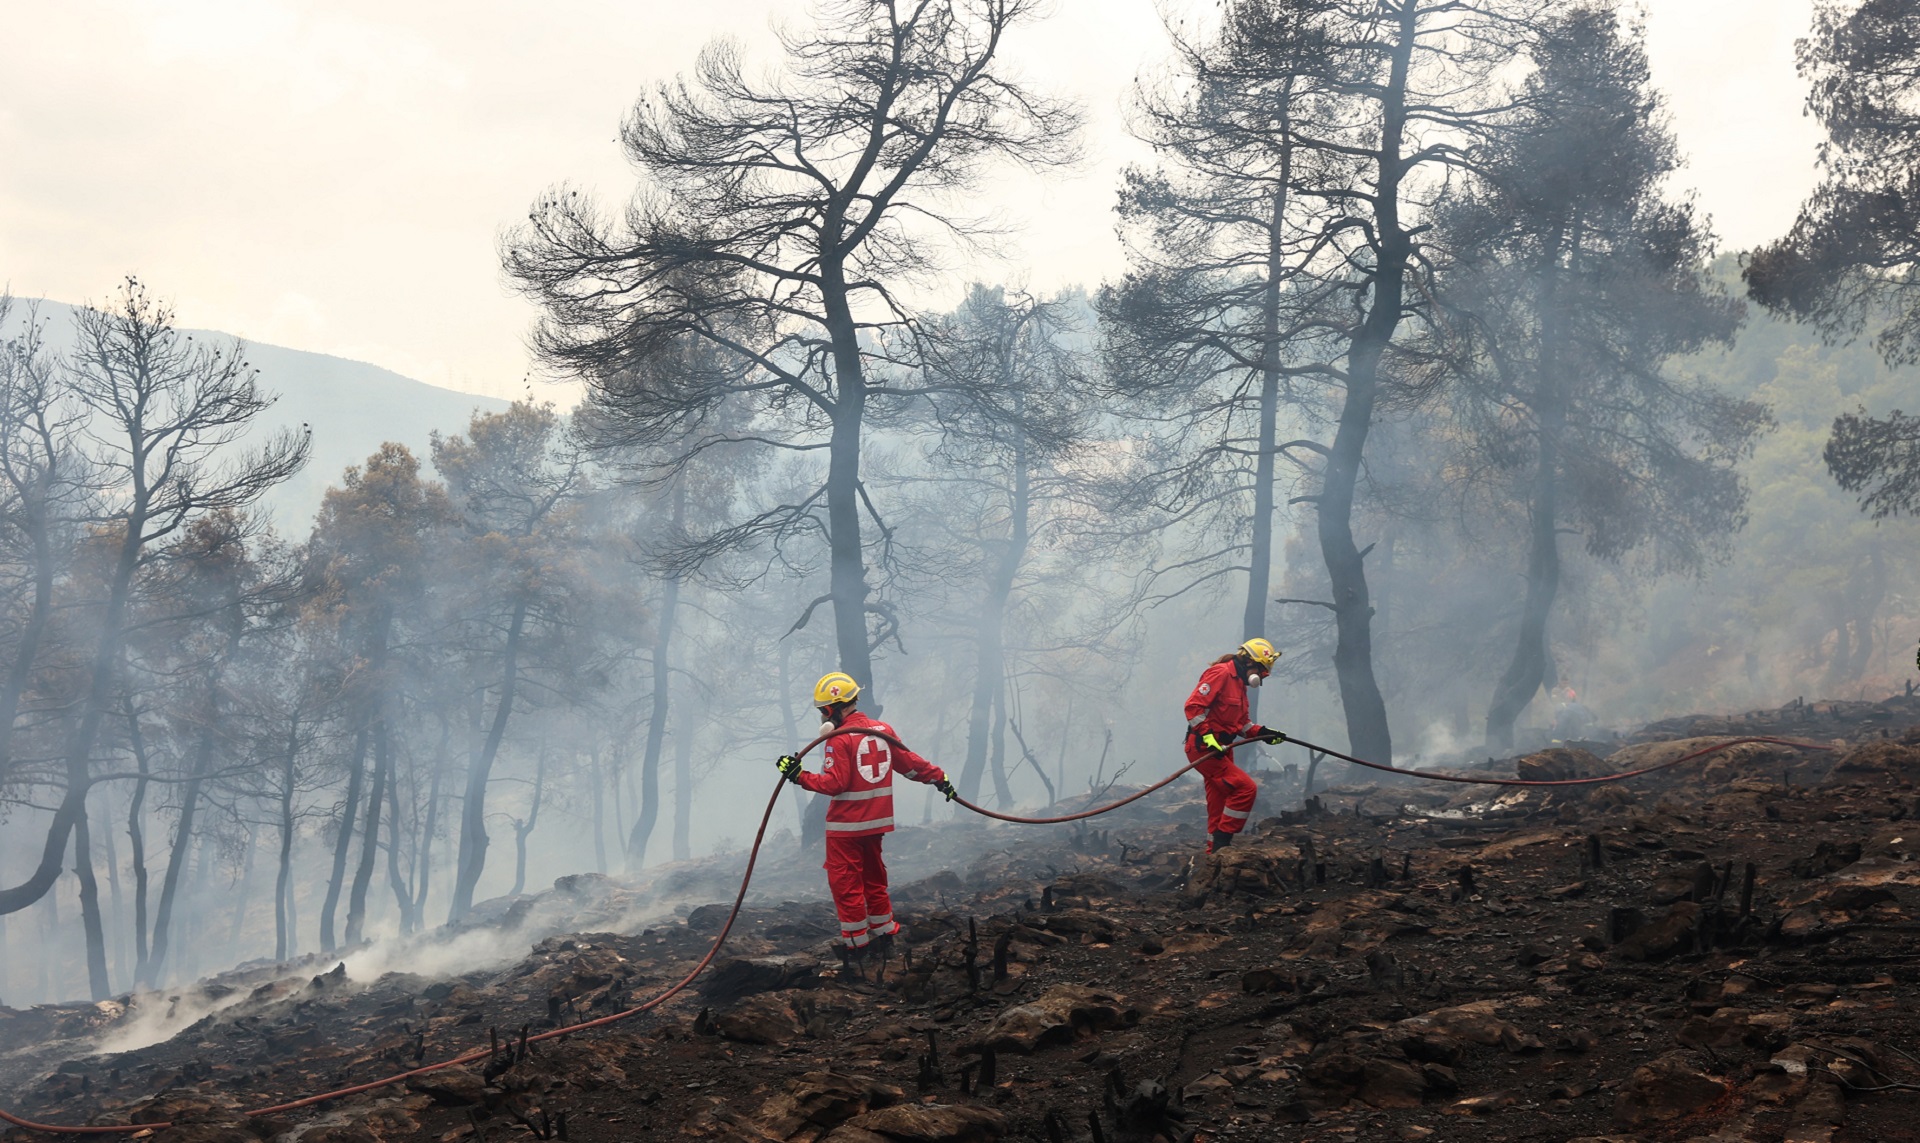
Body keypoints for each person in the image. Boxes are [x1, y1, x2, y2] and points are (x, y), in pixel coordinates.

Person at [776, 672, 957, 956]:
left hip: (846, 827)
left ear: (829, 709)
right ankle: (885, 935)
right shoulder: (883, 730)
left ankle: (857, 946)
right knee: (874, 879)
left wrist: (798, 776)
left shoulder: (838, 739)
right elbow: (909, 764)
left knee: (846, 884)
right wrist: (939, 778)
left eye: (822, 711)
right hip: (876, 824)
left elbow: (835, 784)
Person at [1183, 638, 1287, 853]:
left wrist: (1263, 733)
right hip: (1204, 749)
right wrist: (1209, 738)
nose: (1262, 675)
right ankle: (1223, 839)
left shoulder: (1239, 684)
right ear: (1249, 662)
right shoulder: (1220, 673)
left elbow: (1241, 724)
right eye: (1261, 668)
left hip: (1222, 750)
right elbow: (1193, 708)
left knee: (1219, 802)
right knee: (1245, 788)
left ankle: (1214, 854)